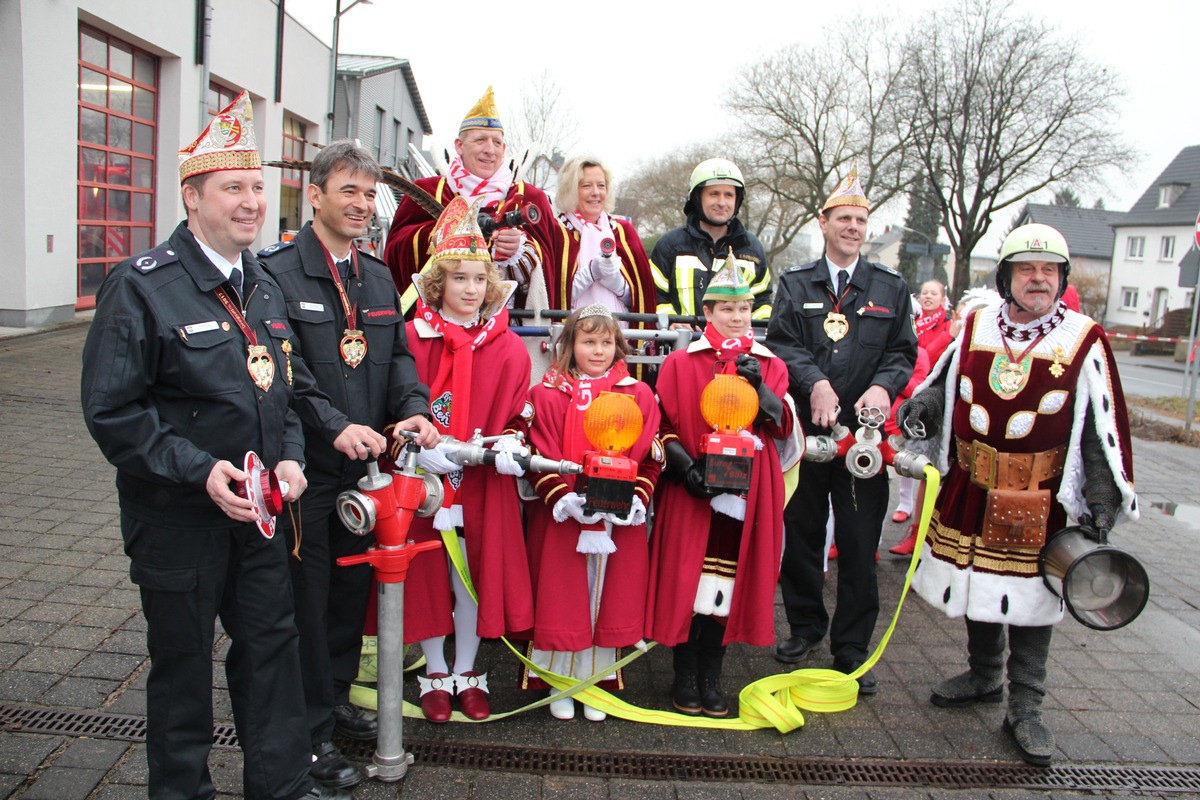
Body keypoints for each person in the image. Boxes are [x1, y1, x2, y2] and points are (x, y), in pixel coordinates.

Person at [80, 91, 350, 800]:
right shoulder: (141, 289)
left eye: (258, 187)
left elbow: (282, 389)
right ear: (192, 196)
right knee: (180, 666)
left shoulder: (260, 284)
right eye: (233, 188)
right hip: (178, 520)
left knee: (271, 654)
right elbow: (113, 411)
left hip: (260, 522)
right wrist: (199, 472)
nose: (252, 202)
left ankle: (282, 786)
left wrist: (291, 456)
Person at [897, 223, 1137, 766]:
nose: (1038, 279)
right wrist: (924, 410)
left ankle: (1026, 707)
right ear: (1006, 276)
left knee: (1032, 601)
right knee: (981, 584)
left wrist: (1100, 500)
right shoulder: (979, 323)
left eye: (1049, 270)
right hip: (974, 485)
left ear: (1061, 278)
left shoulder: (1083, 337)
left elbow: (1102, 425)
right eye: (1027, 269)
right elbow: (945, 383)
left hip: (1042, 496)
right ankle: (984, 675)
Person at [258, 141, 440, 789]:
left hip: (369, 475)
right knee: (305, 604)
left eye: (370, 194)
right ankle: (306, 738)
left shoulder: (378, 275)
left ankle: (333, 702)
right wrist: (335, 428)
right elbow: (286, 373)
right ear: (315, 195)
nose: (362, 205)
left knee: (348, 598)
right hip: (307, 469)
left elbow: (395, 362)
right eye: (349, 191)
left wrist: (414, 409)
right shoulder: (274, 273)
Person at [765, 167, 917, 693]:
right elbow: (782, 343)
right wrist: (815, 383)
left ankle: (852, 647)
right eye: (844, 219)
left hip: (864, 444)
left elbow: (903, 352)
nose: (853, 227)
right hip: (810, 436)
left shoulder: (891, 288)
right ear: (823, 223)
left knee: (857, 543)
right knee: (802, 539)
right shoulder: (795, 282)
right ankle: (805, 628)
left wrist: (885, 387)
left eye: (861, 220)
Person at [401, 195, 534, 722]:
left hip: (482, 483)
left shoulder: (508, 347)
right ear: (439, 283)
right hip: (425, 481)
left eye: (479, 279)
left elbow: (523, 411)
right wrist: (415, 446)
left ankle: (469, 670)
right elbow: (395, 403)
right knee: (431, 573)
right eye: (459, 279)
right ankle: (435, 670)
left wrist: (510, 440)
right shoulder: (411, 338)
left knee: (474, 576)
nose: (471, 289)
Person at [646, 253, 797, 717]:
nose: (737, 318)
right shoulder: (679, 362)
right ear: (707, 313)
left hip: (748, 494)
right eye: (727, 309)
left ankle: (712, 675)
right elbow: (662, 422)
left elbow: (784, 427)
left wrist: (764, 392)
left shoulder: (769, 363)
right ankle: (684, 675)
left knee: (727, 584)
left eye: (744, 310)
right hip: (694, 490)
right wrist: (684, 468)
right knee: (688, 580)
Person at [523, 304, 662, 721]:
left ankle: (596, 683)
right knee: (562, 599)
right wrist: (563, 499)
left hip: (618, 521)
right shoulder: (545, 392)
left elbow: (651, 456)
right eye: (588, 341)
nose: (597, 351)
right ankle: (559, 684)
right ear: (570, 345)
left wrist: (637, 498)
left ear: (618, 345)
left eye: (606, 342)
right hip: (563, 516)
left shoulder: (637, 394)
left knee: (606, 599)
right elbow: (537, 453)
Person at [383, 86, 559, 312]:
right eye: (480, 140)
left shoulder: (530, 198)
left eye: (497, 143)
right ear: (459, 146)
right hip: (438, 326)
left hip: (512, 329)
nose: (490, 150)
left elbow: (551, 266)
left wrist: (522, 251)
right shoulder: (429, 191)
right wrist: (440, 237)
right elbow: (396, 252)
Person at [649, 158, 772, 328]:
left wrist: (755, 329)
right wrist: (672, 323)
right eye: (714, 194)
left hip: (736, 351)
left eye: (729, 195)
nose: (721, 202)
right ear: (697, 198)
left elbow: (762, 302)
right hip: (683, 348)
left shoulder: (752, 249)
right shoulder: (669, 246)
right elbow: (655, 297)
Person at [888, 279, 953, 554]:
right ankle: (912, 531)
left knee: (937, 476)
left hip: (938, 403)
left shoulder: (949, 330)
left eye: (934, 293)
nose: (928, 297)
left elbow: (929, 361)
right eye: (924, 292)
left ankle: (928, 546)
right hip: (917, 405)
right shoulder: (912, 325)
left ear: (943, 298)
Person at [552, 156, 657, 317]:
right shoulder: (556, 232)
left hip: (618, 336)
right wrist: (590, 273)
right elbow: (553, 299)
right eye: (586, 186)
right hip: (572, 336)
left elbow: (642, 300)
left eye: (601, 185)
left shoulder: (623, 232)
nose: (596, 193)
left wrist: (618, 284)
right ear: (570, 190)